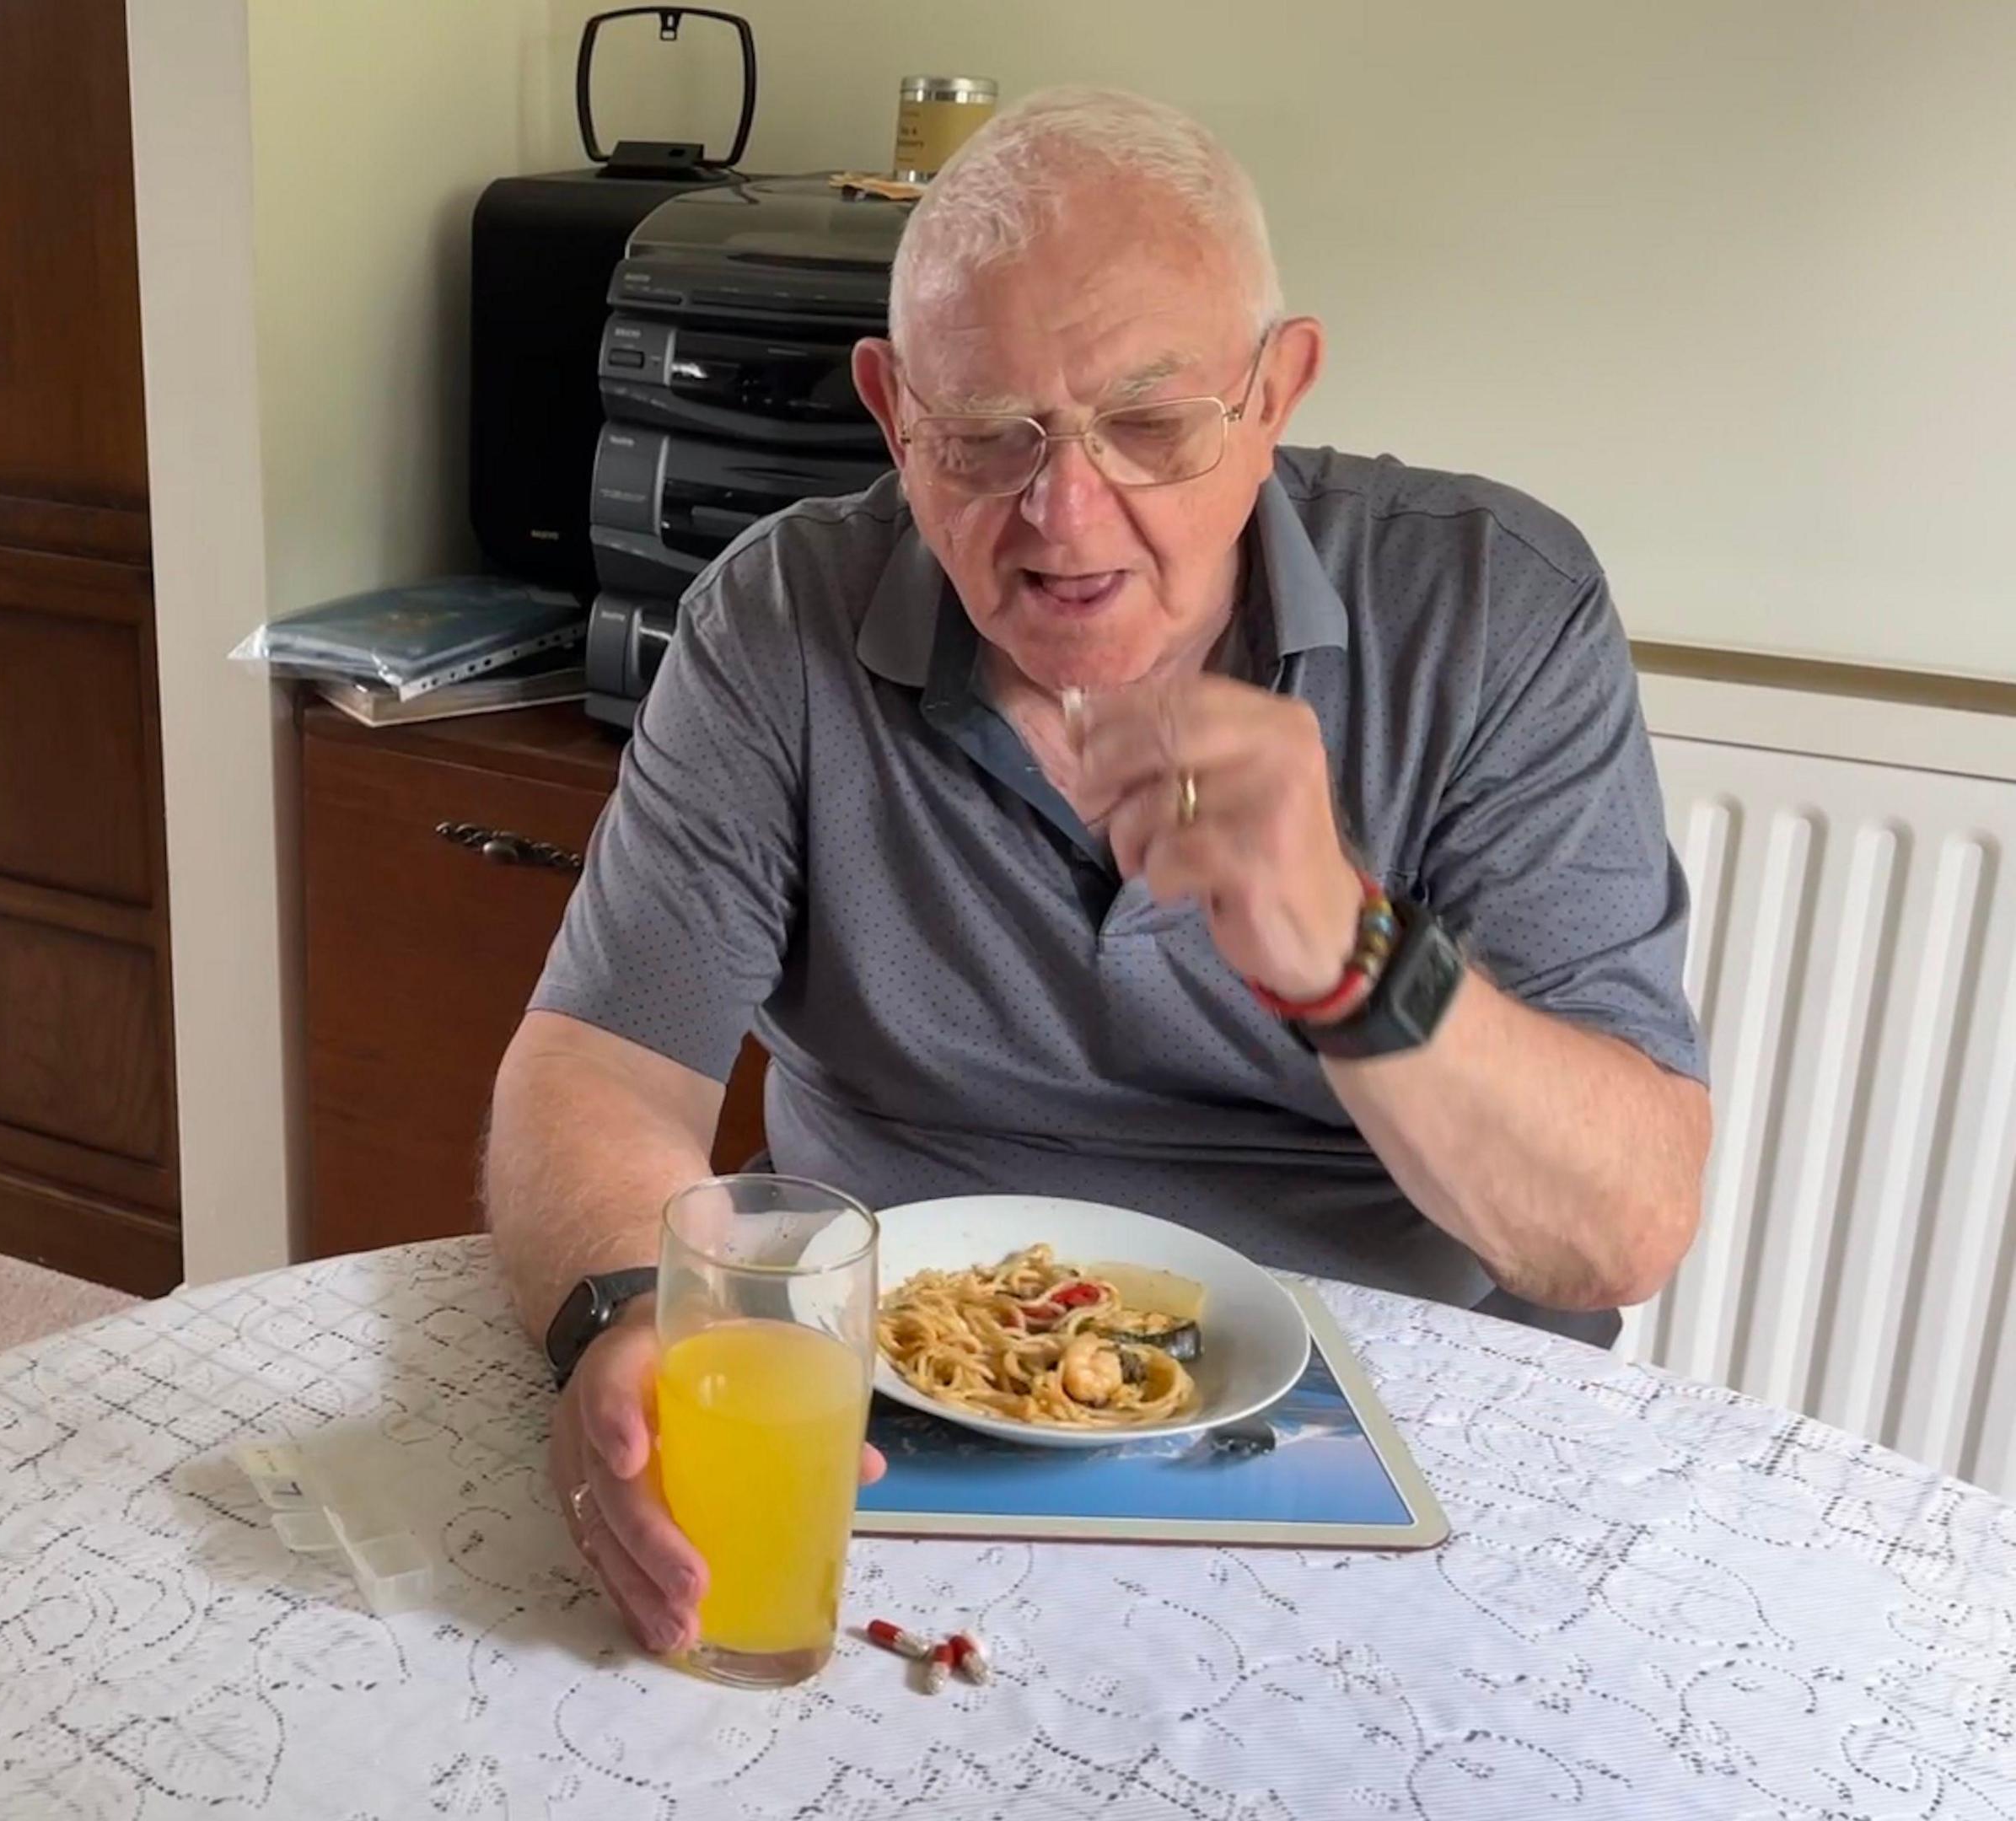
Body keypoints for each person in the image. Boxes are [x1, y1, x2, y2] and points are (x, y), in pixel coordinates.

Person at [484, 88, 1711, 1659]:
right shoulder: (775, 621)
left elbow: (1618, 1232)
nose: (1064, 518)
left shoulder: (1497, 611)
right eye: (989, 437)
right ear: (890, 412)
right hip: (891, 1441)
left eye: (1148, 424)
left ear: (1278, 393)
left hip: (1395, 1440)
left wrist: (1353, 953)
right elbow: (598, 1068)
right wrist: (623, 1322)